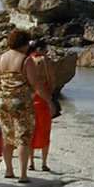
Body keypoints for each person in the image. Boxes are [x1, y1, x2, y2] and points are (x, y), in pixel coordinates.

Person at [0, 29, 54, 183]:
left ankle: (9, 171)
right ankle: (24, 175)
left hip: (3, 101)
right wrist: (49, 101)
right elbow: (36, 84)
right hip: (21, 103)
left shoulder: (0, 59)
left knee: (7, 137)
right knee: (23, 138)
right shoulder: (26, 60)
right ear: (24, 43)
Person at [27, 38, 55, 172]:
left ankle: (31, 163)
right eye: (45, 49)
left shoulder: (27, 61)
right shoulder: (44, 61)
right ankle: (44, 163)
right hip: (43, 98)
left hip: (30, 97)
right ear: (39, 49)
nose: (46, 52)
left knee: (30, 131)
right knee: (45, 130)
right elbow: (52, 79)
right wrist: (50, 94)